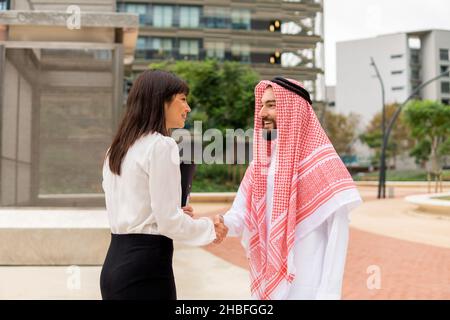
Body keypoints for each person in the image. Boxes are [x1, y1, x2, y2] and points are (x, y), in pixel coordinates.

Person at [219, 77, 362, 300]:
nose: (262, 113)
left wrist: (328, 294)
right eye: (262, 105)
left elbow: (338, 234)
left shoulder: (322, 164)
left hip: (310, 286)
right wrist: (216, 225)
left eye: (271, 105)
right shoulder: (261, 163)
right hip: (269, 285)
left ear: (293, 110)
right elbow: (239, 214)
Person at [100, 70, 228, 300]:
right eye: (182, 99)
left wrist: (176, 214)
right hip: (146, 269)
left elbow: (139, 210)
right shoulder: (161, 145)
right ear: (161, 100)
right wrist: (210, 228)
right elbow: (168, 223)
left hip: (114, 265)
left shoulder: (116, 150)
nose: (187, 108)